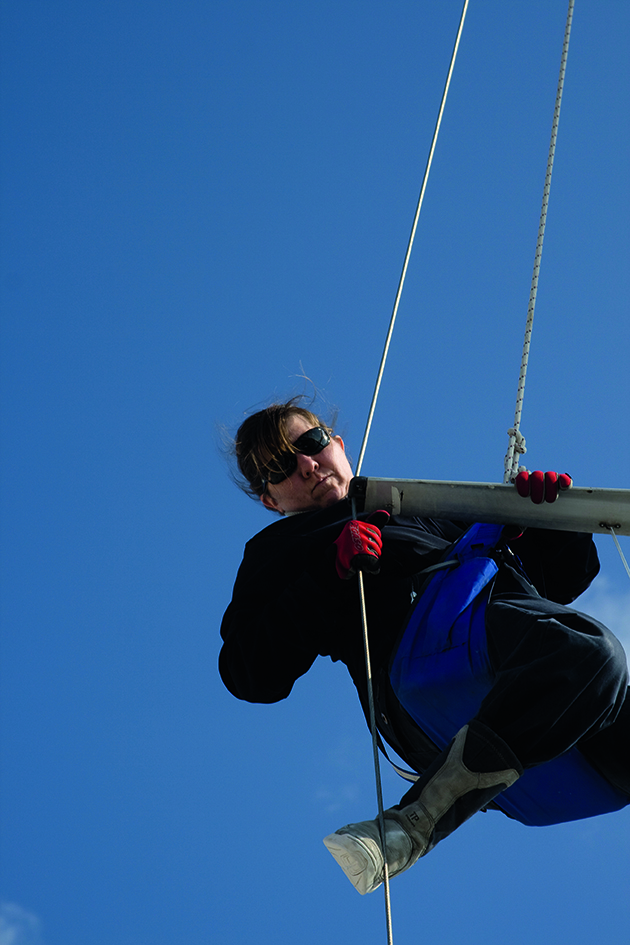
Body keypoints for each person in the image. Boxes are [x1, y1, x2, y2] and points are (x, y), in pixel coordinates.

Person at [219, 398, 629, 895]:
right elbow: (249, 673)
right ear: (270, 500)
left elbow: (560, 582)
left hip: (523, 686)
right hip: (423, 668)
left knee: (580, 658)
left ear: (338, 445)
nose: (306, 465)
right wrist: (328, 572)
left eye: (310, 444)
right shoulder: (278, 549)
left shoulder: (424, 506)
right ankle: (419, 818)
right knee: (587, 653)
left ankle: (426, 813)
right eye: (281, 467)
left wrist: (545, 520)